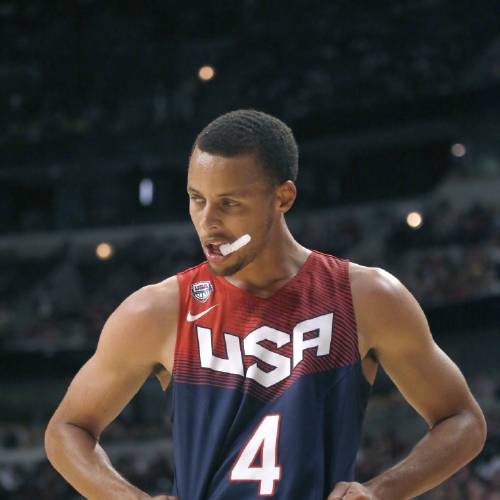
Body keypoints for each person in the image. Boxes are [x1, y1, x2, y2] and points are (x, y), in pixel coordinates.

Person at [45, 110, 486, 500]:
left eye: (229, 204)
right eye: (196, 200)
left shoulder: (366, 297)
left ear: (283, 198)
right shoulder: (159, 310)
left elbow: (463, 419)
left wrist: (382, 491)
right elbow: (67, 429)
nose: (208, 223)